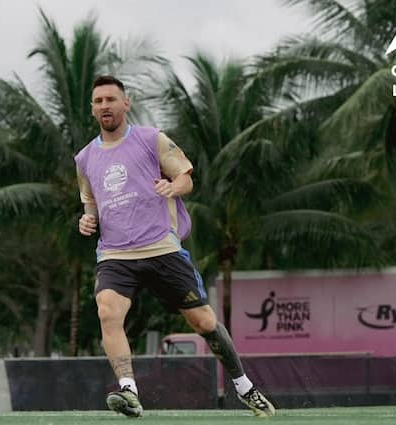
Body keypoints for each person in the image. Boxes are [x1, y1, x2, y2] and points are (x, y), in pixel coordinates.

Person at [75, 75, 275, 418]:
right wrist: (87, 219)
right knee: (107, 311)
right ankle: (129, 392)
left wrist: (174, 188)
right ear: (92, 110)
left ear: (126, 103)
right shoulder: (84, 158)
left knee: (203, 322)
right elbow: (89, 202)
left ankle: (244, 387)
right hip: (115, 254)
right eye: (98, 101)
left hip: (161, 249)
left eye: (111, 99)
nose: (105, 106)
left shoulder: (151, 139)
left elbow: (186, 177)